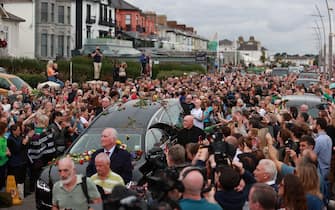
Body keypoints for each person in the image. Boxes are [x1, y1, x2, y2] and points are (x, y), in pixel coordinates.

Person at [7, 124, 31, 199]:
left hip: (22, 161)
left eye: (19, 130)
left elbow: (25, 147)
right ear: (13, 131)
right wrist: (23, 143)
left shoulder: (19, 137)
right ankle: (14, 196)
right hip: (15, 163)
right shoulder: (10, 139)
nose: (19, 131)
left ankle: (21, 195)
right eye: (18, 130)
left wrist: (25, 142)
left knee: (22, 179)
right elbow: (16, 150)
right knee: (15, 180)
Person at [0, 121, 9, 190]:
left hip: (5, 162)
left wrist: (7, 149)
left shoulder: (4, 137)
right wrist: (6, 153)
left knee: (3, 179)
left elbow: (5, 146)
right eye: (6, 127)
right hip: (1, 163)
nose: (7, 128)